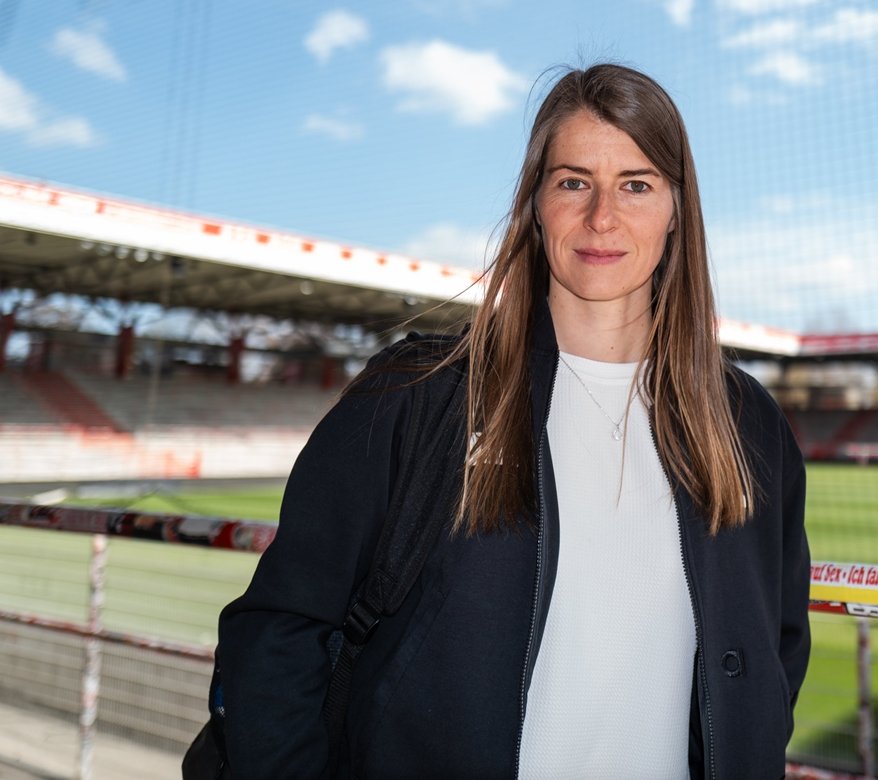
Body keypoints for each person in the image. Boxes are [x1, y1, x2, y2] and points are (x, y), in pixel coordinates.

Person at [215, 63, 810, 779]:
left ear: (678, 209)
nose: (602, 216)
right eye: (573, 182)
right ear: (535, 203)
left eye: (637, 184)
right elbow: (280, 632)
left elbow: (776, 652)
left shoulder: (749, 427)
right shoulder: (420, 395)